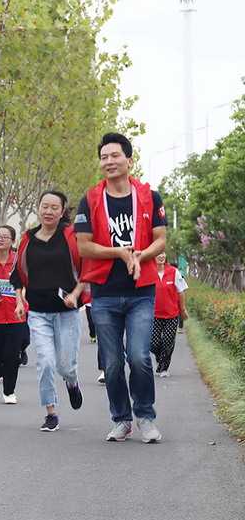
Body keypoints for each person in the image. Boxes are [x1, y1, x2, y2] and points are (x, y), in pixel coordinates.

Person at [75, 132, 167, 444]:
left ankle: (145, 416)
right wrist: (119, 252)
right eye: (104, 157)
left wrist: (142, 255)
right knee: (112, 362)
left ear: (129, 160)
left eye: (115, 156)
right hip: (104, 292)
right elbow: (84, 247)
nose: (109, 161)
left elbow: (161, 239)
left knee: (139, 357)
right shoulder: (89, 199)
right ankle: (121, 419)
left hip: (141, 291)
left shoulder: (149, 196)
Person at [11, 191, 86, 432]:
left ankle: (72, 383)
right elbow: (18, 277)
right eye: (45, 206)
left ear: (63, 211)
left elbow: (88, 270)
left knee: (65, 366)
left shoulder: (71, 236)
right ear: (38, 208)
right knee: (44, 362)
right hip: (38, 312)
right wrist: (20, 302)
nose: (48, 211)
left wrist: (75, 294)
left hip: (66, 312)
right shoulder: (27, 239)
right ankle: (50, 411)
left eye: (55, 207)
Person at [0, 225, 27, 404]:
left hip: (16, 316)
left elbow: (26, 283)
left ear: (12, 241)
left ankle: (9, 392)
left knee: (12, 355)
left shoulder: (19, 261)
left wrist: (21, 299)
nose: (0, 239)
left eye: (5, 237)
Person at [151, 252, 189, 377]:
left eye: (162, 253)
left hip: (171, 315)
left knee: (168, 342)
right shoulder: (149, 272)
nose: (161, 256)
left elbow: (181, 291)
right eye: (157, 254)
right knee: (153, 343)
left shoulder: (174, 271)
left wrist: (182, 309)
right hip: (154, 315)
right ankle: (160, 357)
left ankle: (163, 368)